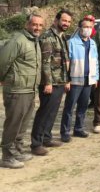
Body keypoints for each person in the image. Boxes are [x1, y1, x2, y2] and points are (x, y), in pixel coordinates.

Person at [0, 14, 43, 169]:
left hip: (29, 89)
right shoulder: (18, 40)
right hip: (17, 89)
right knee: (13, 123)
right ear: (27, 24)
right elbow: (3, 60)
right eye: (34, 24)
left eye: (40, 25)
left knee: (23, 123)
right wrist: (2, 78)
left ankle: (17, 151)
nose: (37, 27)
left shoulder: (34, 41)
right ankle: (7, 156)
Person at [31, 10, 72, 156]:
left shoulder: (62, 37)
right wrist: (47, 82)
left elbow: (64, 61)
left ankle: (46, 138)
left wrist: (67, 80)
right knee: (44, 112)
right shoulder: (48, 37)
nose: (66, 23)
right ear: (56, 20)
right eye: (64, 20)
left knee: (52, 112)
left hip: (60, 81)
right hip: (50, 82)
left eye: (68, 21)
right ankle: (36, 144)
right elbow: (45, 62)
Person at [60, 18, 99, 143]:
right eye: (85, 26)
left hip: (88, 81)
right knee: (69, 107)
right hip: (75, 81)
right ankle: (65, 132)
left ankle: (79, 128)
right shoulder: (71, 42)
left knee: (83, 107)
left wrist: (96, 77)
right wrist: (66, 80)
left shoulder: (93, 43)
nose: (87, 29)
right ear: (79, 28)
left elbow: (95, 62)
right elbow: (66, 63)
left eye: (90, 27)